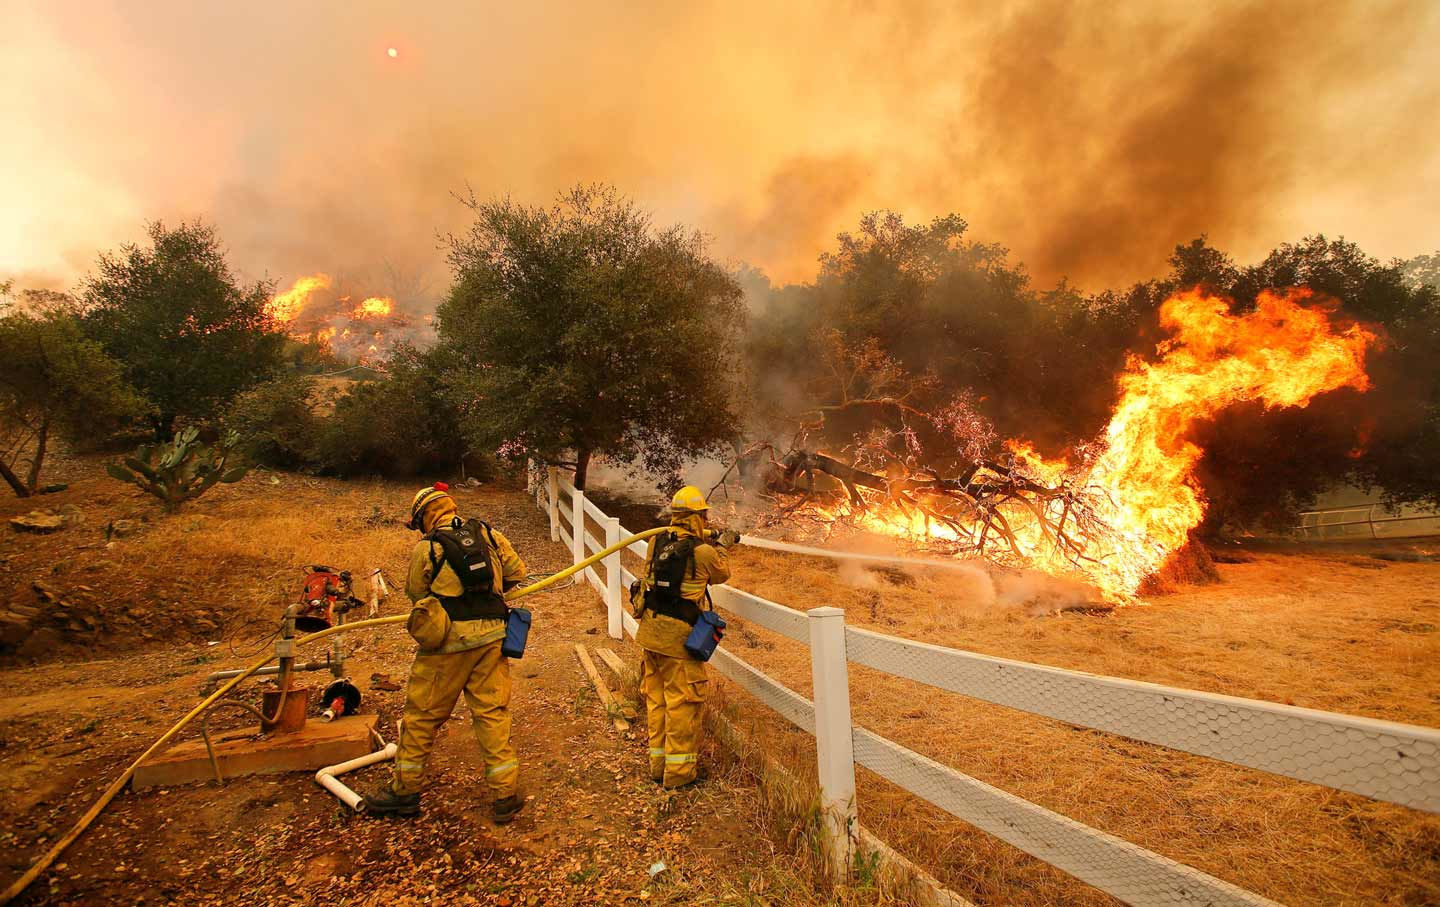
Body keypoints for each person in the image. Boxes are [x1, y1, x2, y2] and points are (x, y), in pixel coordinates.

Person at [365, 483, 528, 823]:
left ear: (424, 516)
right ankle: (505, 796)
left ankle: (405, 791)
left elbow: (416, 594)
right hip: (493, 638)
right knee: (492, 714)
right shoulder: (488, 534)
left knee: (422, 716)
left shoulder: (429, 548)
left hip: (448, 645)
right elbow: (517, 573)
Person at [632, 485, 738, 789]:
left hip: (651, 634)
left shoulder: (656, 541)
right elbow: (721, 574)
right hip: (678, 641)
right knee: (682, 706)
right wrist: (723, 545)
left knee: (658, 702)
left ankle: (658, 766)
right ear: (697, 517)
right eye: (704, 515)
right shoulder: (704, 553)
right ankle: (678, 776)